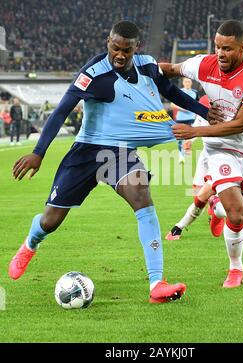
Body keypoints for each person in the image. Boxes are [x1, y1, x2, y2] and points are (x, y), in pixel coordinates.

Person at [9, 20, 210, 304]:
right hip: (86, 153)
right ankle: (31, 242)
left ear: (135, 48)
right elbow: (61, 111)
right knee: (51, 220)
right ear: (108, 43)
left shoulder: (148, 66)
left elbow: (172, 93)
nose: (119, 55)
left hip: (120, 153)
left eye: (126, 50)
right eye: (115, 48)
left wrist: (203, 111)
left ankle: (157, 284)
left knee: (142, 196)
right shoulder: (93, 74)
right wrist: (39, 152)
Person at [159, 19, 243, 288]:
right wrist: (142, 67)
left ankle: (214, 207)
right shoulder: (204, 64)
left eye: (228, 49)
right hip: (220, 148)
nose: (221, 54)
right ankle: (235, 269)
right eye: (218, 47)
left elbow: (241, 123)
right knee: (237, 215)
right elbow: (171, 70)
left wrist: (195, 132)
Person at [166, 95, 226, 241]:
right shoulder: (204, 101)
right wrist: (190, 141)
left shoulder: (226, 103)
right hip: (205, 156)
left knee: (203, 197)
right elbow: (197, 125)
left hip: (223, 158)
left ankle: (178, 227)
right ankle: (215, 208)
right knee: (198, 196)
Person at [172, 77, 198, 164]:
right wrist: (183, 109)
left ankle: (186, 152)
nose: (187, 83)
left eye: (189, 81)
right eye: (186, 81)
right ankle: (181, 156)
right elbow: (172, 104)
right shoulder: (179, 92)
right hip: (180, 118)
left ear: (191, 83)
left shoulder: (195, 93)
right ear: (183, 83)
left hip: (191, 118)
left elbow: (198, 104)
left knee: (189, 137)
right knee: (179, 138)